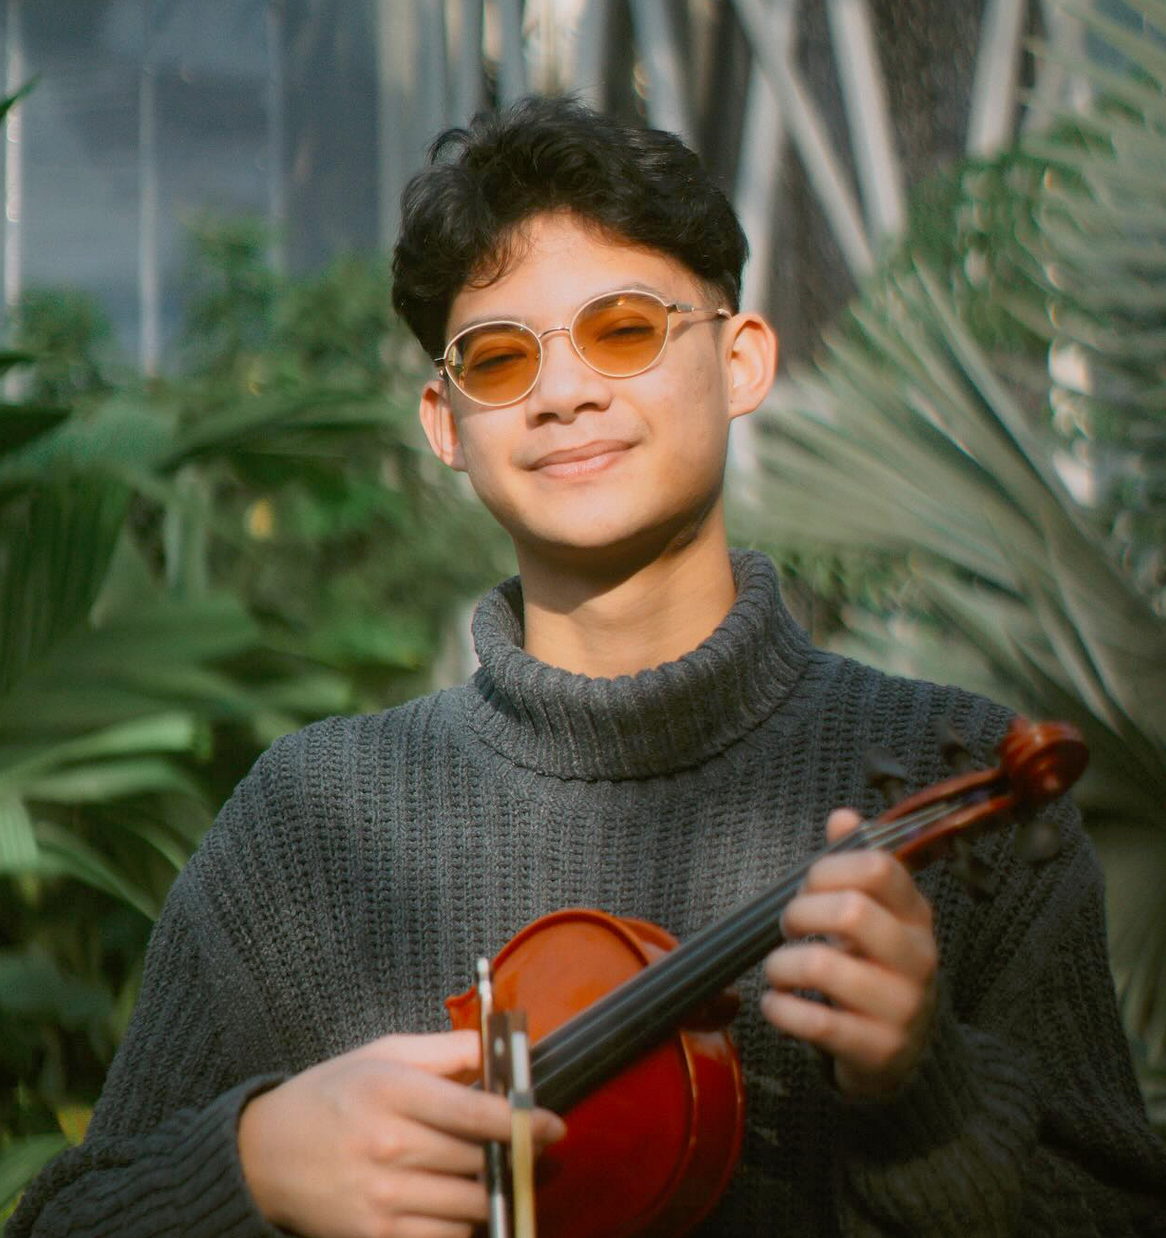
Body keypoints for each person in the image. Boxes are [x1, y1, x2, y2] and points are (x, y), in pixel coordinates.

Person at [9, 95, 1165, 1238]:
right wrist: (253, 1163)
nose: (563, 393)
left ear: (742, 357)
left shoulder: (959, 795)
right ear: (445, 422)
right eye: (499, 358)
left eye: (622, 329)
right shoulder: (309, 825)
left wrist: (925, 1097)